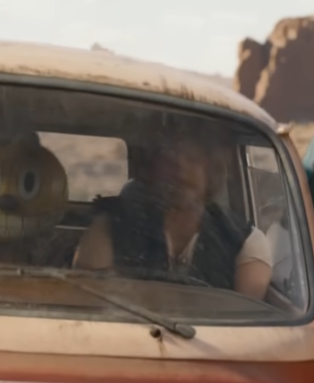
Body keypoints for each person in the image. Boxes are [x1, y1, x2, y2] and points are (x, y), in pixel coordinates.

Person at [73, 122, 273, 300]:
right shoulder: (110, 227)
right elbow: (90, 302)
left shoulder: (245, 242)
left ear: (212, 170)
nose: (180, 168)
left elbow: (243, 324)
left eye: (193, 158)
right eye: (168, 159)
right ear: (152, 170)